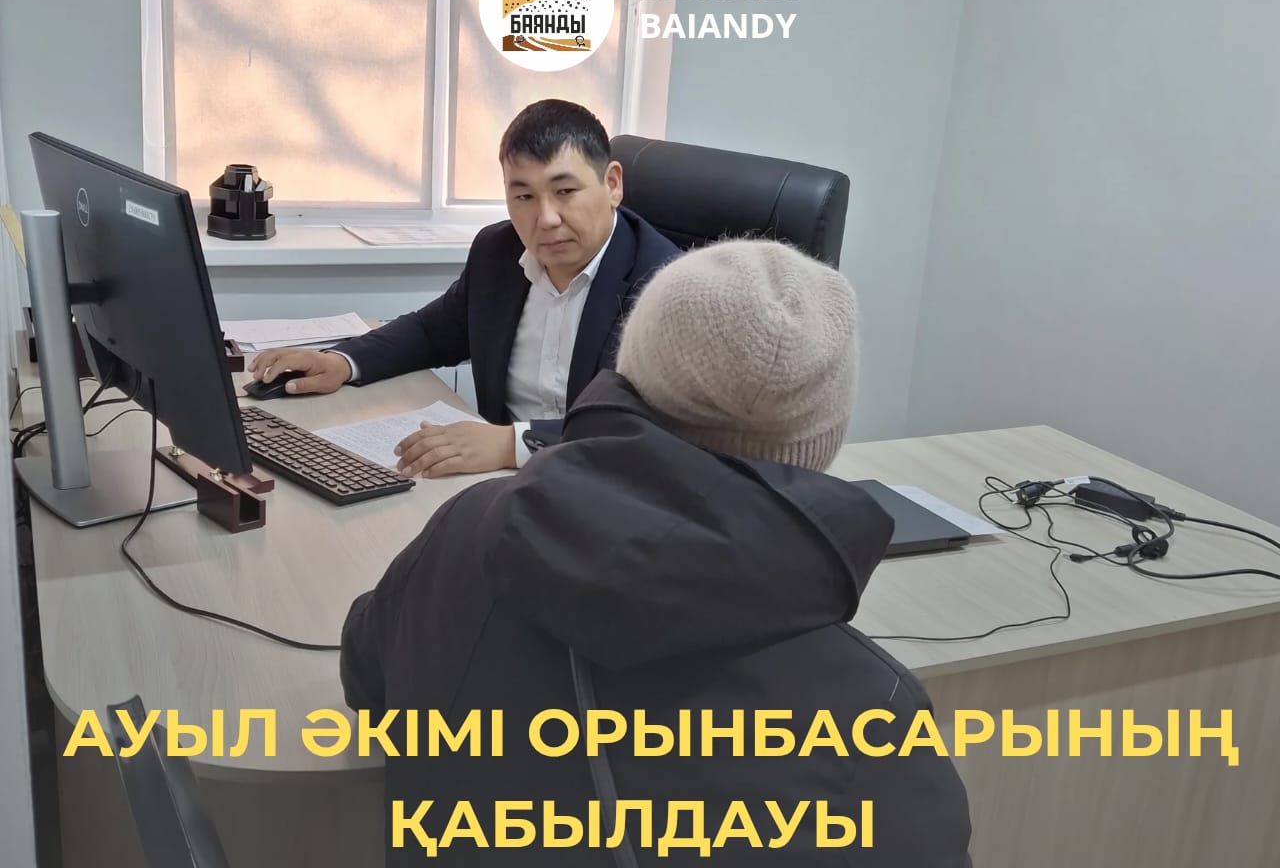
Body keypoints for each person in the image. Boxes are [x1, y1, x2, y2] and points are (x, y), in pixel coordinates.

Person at [339, 238, 973, 866]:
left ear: (628, 379)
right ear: (825, 436)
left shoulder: (469, 526)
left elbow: (368, 680)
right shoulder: (870, 709)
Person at [247, 99, 679, 478]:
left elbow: (644, 428)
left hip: (606, 490)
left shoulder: (668, 287)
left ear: (612, 184)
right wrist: (341, 361)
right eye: (524, 197)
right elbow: (431, 332)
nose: (546, 218)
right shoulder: (498, 252)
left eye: (565, 191)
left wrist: (511, 445)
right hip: (497, 483)